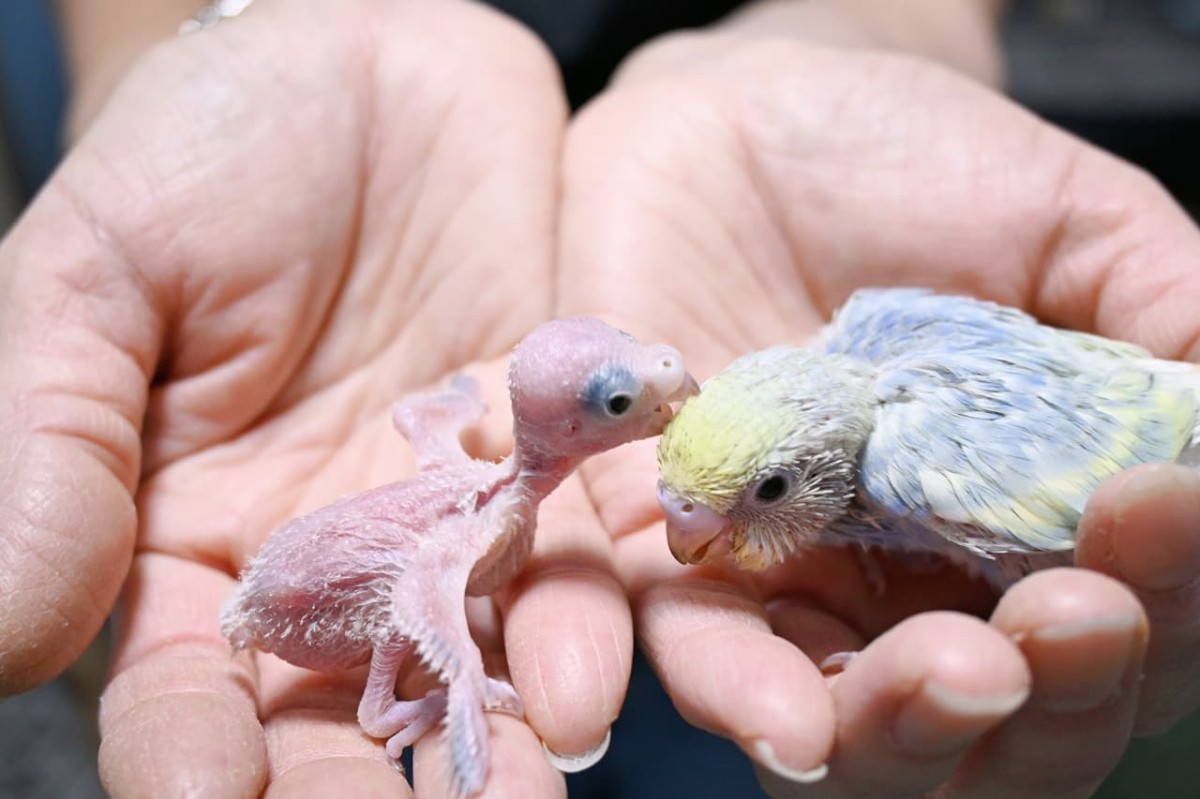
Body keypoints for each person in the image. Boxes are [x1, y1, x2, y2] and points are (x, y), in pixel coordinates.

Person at [2, 0, 1199, 796]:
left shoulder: (904, 415)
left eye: (757, 489)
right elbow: (424, 558)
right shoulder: (842, 344)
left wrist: (883, 19)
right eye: (645, 425)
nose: (683, 533)